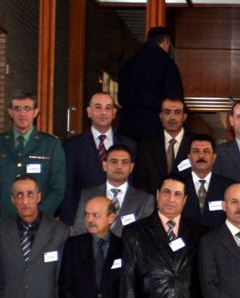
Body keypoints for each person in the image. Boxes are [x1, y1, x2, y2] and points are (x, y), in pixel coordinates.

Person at [0, 91, 66, 221]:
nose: (22, 113)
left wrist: (38, 216)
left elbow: (58, 188)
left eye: (27, 108)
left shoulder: (51, 145)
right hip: (4, 220)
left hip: (39, 222)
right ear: (10, 112)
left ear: (36, 112)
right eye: (17, 108)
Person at [59, 91, 138, 223]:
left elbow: (133, 185)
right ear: (89, 112)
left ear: (114, 113)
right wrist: (70, 223)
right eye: (98, 107)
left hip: (121, 220)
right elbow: (68, 188)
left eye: (108, 108)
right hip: (86, 220)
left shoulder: (130, 145)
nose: (103, 112)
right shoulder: (72, 146)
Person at [72, 143, 155, 238]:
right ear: (104, 165)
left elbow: (145, 236)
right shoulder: (88, 195)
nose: (119, 166)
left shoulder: (145, 200)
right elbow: (79, 231)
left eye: (124, 162)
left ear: (131, 167)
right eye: (114, 162)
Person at [117, 27, 184, 141]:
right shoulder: (167, 64)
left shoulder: (129, 63)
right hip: (154, 128)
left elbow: (121, 97)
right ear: (166, 42)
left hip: (128, 127)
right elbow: (175, 99)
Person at [133, 96, 194, 192]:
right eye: (167, 112)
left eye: (177, 112)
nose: (172, 117)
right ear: (161, 116)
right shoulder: (146, 146)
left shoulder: (195, 144)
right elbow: (140, 181)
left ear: (184, 117)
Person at [179, 134, 235, 230]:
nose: (201, 155)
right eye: (196, 151)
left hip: (218, 238)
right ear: (189, 157)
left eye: (206, 151)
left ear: (214, 157)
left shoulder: (229, 187)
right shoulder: (178, 185)